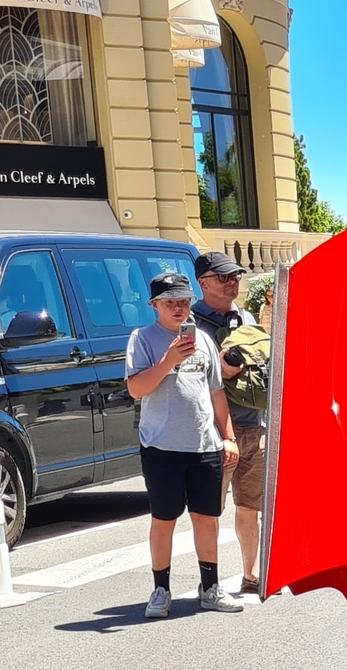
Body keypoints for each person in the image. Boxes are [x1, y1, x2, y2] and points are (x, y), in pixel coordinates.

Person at [126, 272, 241, 618]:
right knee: (164, 518)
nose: (179, 308)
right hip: (162, 446)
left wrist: (228, 436)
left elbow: (216, 391)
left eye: (184, 301)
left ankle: (210, 587)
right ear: (155, 306)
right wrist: (169, 361)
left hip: (204, 443)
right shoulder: (143, 338)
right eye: (170, 302)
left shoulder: (203, 340)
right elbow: (136, 389)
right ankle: (161, 589)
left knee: (207, 518)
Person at [192, 251, 268, 596]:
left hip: (253, 426)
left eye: (235, 276)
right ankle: (210, 581)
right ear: (203, 282)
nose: (232, 283)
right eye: (223, 277)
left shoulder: (247, 317)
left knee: (251, 505)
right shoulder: (189, 324)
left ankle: (251, 574)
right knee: (208, 511)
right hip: (209, 432)